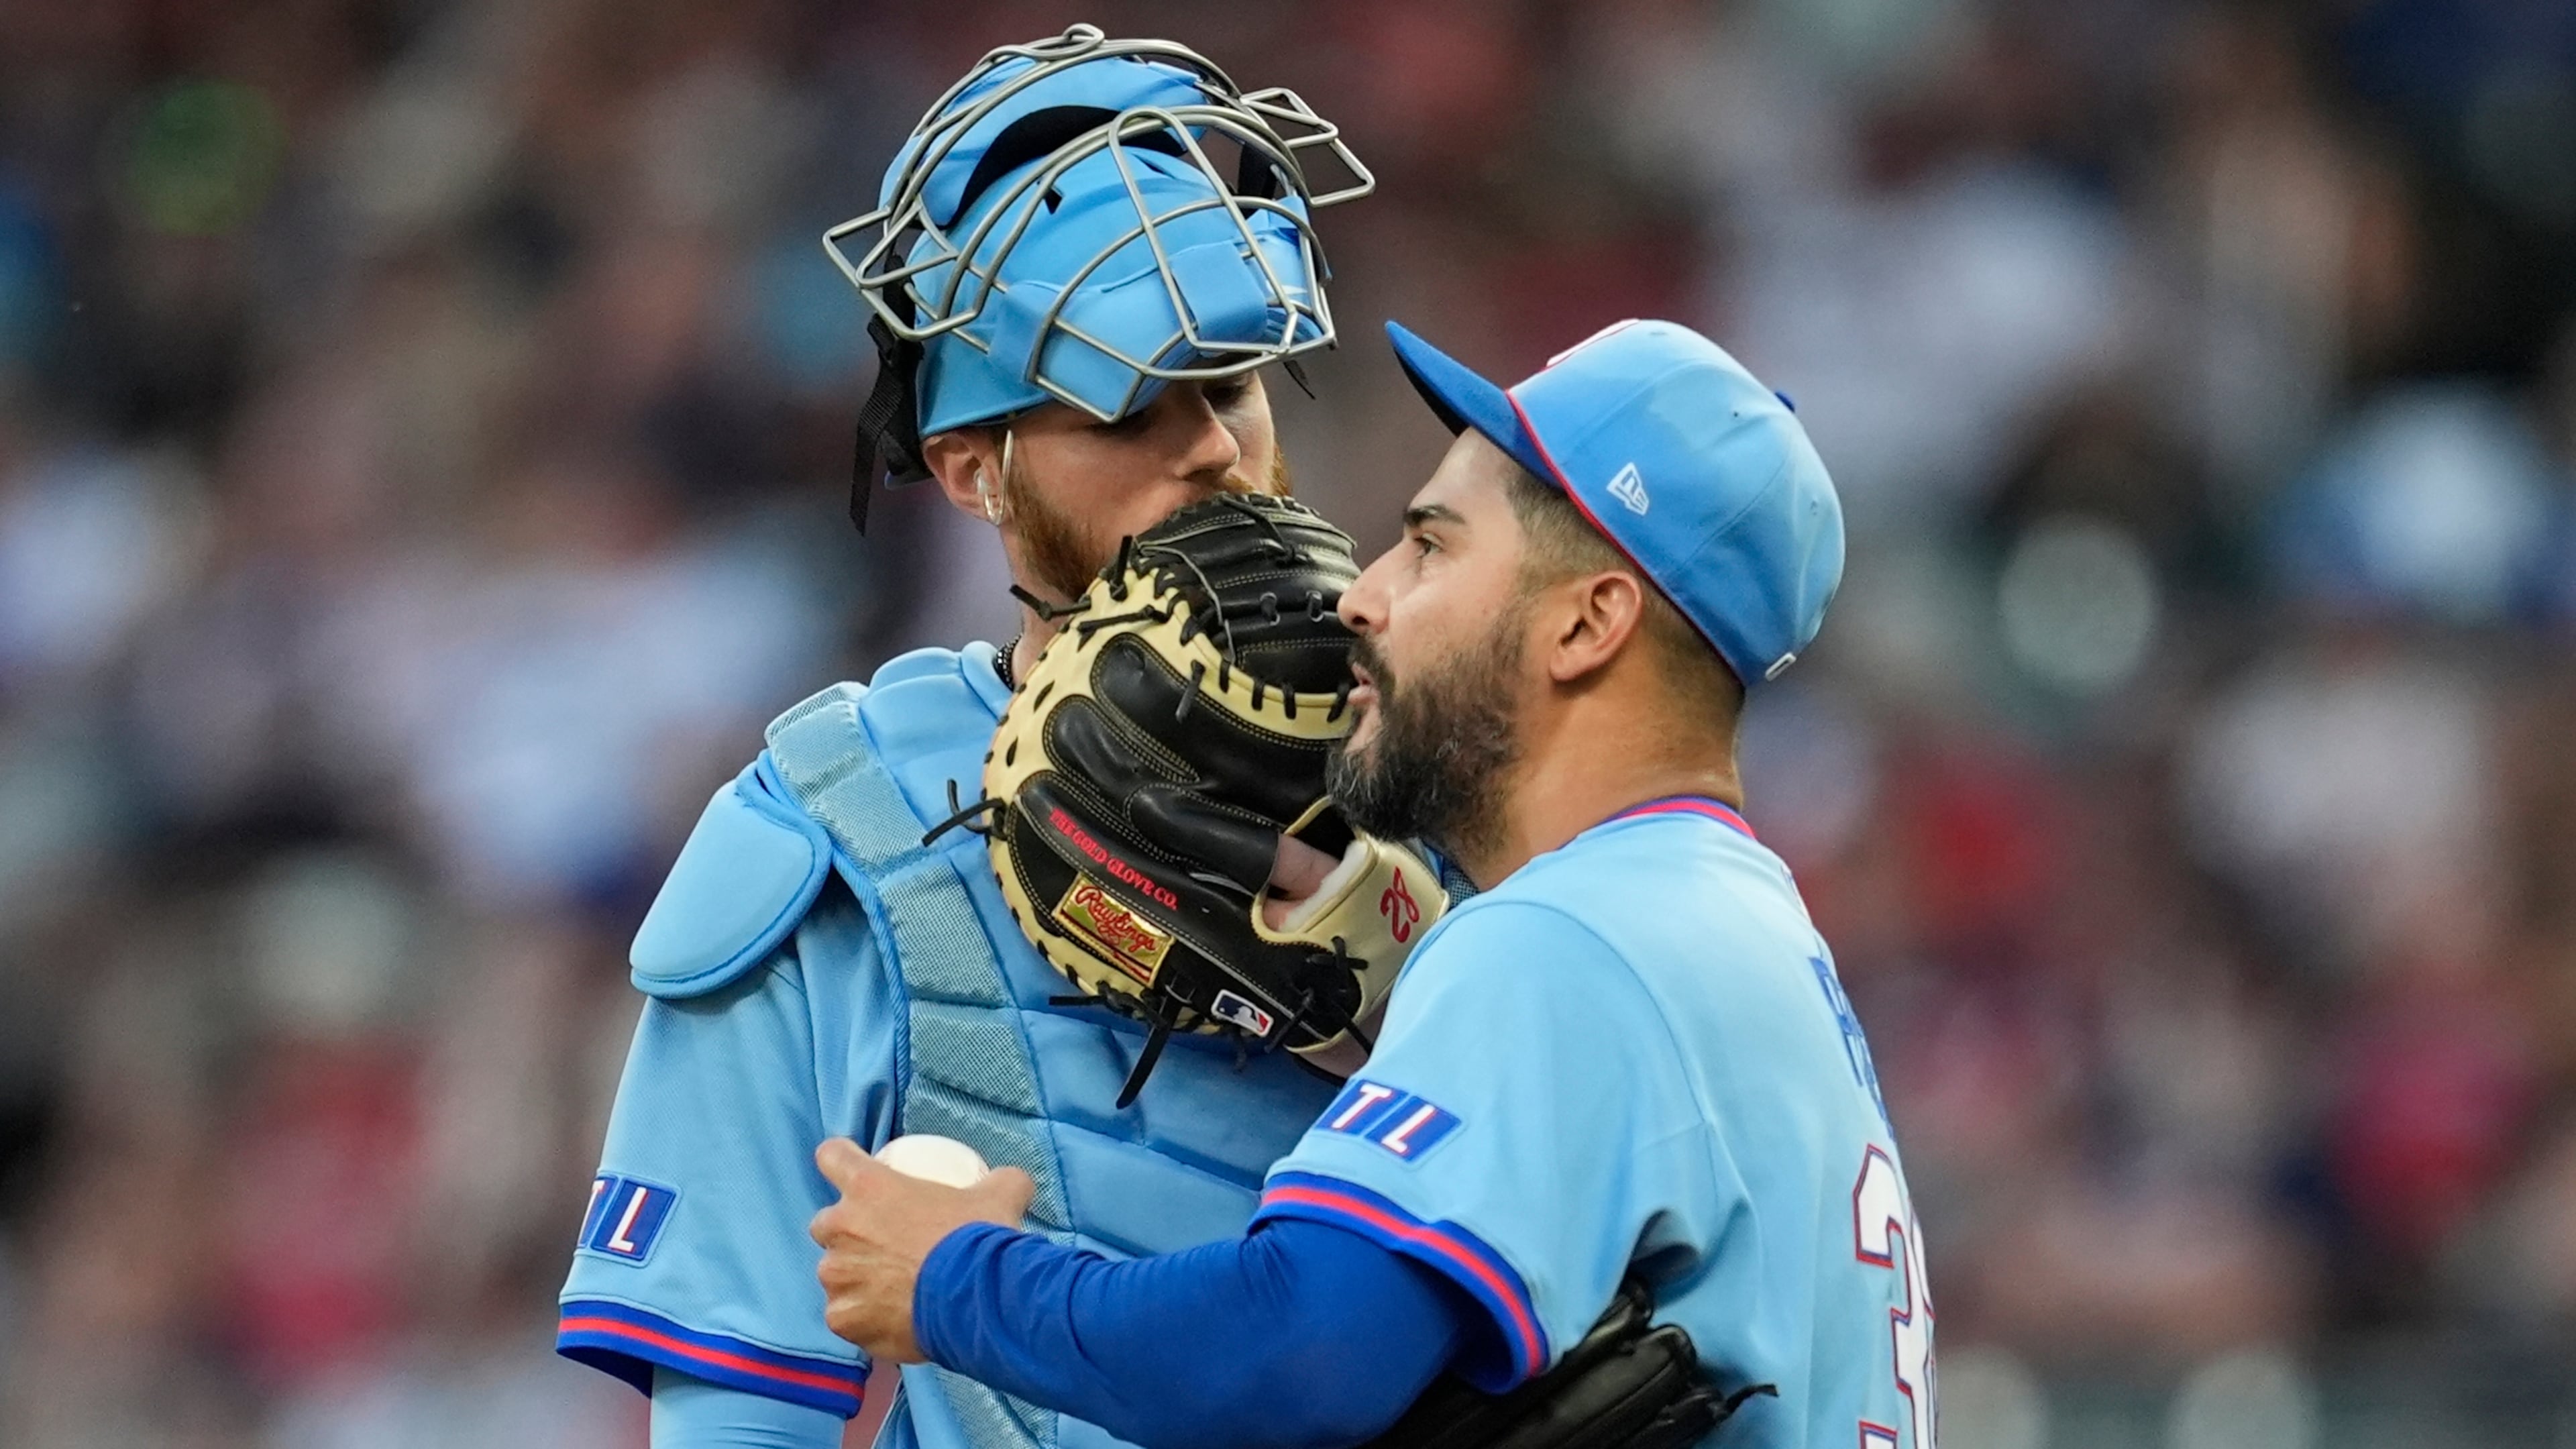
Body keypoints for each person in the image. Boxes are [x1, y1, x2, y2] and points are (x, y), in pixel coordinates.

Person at [804, 316, 1939, 1449]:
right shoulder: (1738, 927)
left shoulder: (1569, 941)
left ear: (1588, 624)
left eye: (1433, 546)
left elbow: (1297, 1354)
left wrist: (953, 1276)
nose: (1364, 593)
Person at [554, 28, 1381, 1449]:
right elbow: (740, 1419)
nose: (1214, 451)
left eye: (1235, 383)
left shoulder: (1456, 769)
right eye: (1128, 403)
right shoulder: (833, 835)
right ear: (969, 467)